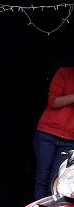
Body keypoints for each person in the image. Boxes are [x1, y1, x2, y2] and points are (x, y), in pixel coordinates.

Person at [33, 66, 74, 199]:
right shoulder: (65, 72)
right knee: (42, 178)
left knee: (57, 182)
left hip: (70, 140)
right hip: (48, 133)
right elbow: (53, 101)